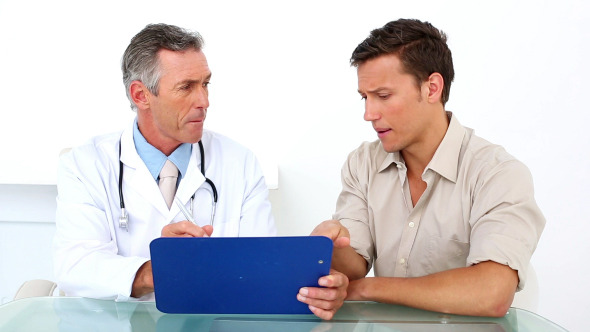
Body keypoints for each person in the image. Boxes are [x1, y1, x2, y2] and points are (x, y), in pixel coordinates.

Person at [304, 18, 545, 317]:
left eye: (382, 96)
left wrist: (365, 289)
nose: (368, 113)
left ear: (432, 88)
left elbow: (492, 293)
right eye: (364, 98)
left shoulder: (497, 173)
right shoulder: (362, 163)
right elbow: (355, 264)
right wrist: (330, 245)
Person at [52, 23, 278, 302]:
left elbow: (261, 267)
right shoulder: (85, 164)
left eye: (205, 84)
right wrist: (156, 270)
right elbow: (76, 266)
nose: (204, 101)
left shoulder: (239, 162)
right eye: (186, 87)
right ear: (140, 95)